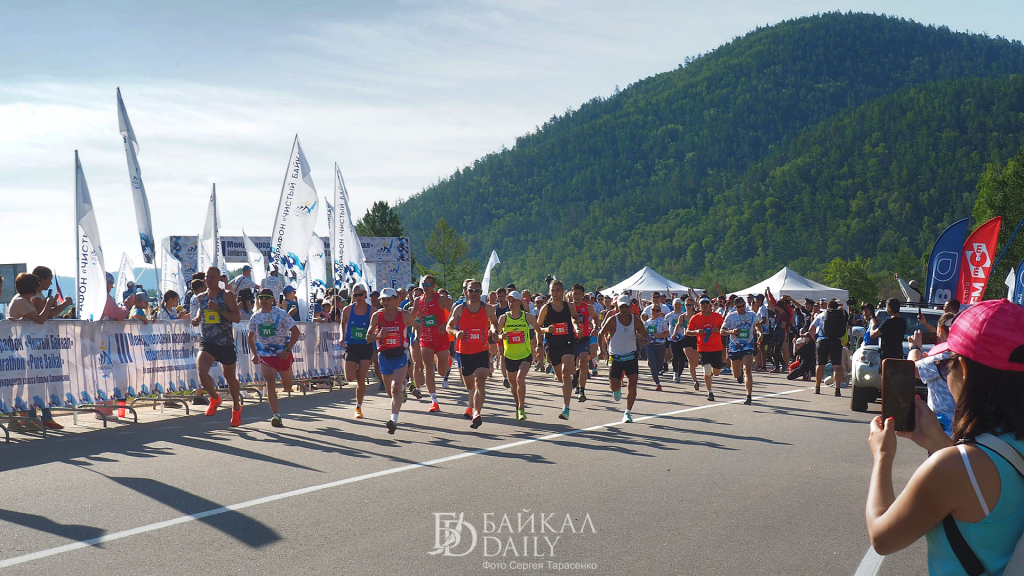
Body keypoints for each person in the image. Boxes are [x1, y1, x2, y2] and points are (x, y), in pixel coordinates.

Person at [865, 299, 1024, 574]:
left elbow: (882, 537)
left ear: (963, 368)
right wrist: (940, 444)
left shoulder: (953, 468)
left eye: (947, 365)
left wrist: (882, 456)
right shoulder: (975, 460)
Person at [190, 267, 244, 427]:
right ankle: (215, 398)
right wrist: (197, 318)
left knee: (230, 378)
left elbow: (237, 317)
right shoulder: (202, 297)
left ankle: (236, 407)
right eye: (207, 277)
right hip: (208, 341)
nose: (209, 280)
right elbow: (203, 310)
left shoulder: (226, 295)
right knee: (201, 371)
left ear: (219, 278)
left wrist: (219, 310)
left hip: (225, 342)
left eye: (213, 277)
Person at [446, 280, 498, 429]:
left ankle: (476, 413)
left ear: (481, 293)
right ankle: (473, 406)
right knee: (469, 385)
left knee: (480, 381)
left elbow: (494, 322)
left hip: (481, 351)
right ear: (466, 292)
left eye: (477, 290)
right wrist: (456, 333)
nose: (474, 293)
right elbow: (449, 326)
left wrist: (494, 331)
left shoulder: (487, 309)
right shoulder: (459, 309)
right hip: (464, 352)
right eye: (471, 290)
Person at [367, 288, 418, 434]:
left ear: (396, 300)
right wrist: (377, 336)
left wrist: (415, 339)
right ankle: (402, 387)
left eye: (389, 299)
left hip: (400, 354)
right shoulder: (377, 316)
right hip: (384, 356)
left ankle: (393, 421)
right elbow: (368, 337)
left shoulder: (404, 315)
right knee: (391, 392)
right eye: (383, 299)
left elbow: (417, 327)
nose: (385, 302)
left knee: (395, 389)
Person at [247, 288, 300, 427]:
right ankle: (276, 415)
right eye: (261, 297)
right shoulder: (255, 316)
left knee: (287, 386)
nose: (263, 299)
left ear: (272, 299)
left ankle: (287, 384)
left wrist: (288, 350)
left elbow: (296, 332)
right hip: (266, 354)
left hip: (282, 353)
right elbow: (250, 337)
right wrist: (254, 353)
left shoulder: (281, 314)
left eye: (266, 297)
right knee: (270, 382)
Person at [598, 294, 650, 423]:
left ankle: (628, 412)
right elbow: (601, 333)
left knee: (633, 384)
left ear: (631, 307)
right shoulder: (612, 320)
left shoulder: (636, 320)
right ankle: (617, 389)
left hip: (631, 356)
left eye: (626, 306)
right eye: (622, 306)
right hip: (616, 357)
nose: (624, 309)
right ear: (617, 307)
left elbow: (645, 334)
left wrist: (645, 339)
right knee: (614, 387)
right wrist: (601, 350)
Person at [537, 279, 582, 420]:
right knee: (560, 377)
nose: (555, 293)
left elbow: (574, 318)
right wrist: (546, 329)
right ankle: (576, 374)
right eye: (552, 290)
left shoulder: (570, 306)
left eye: (558, 290)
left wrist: (576, 328)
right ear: (549, 292)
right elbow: (537, 327)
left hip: (568, 342)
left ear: (563, 291)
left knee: (565, 373)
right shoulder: (546, 308)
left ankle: (566, 407)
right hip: (553, 345)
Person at [411, 274, 452, 413]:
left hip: (441, 338)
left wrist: (446, 324)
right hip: (426, 338)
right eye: (423, 284)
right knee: (428, 367)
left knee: (442, 372)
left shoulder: (441, 299)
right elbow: (411, 316)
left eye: (428, 284)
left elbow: (455, 313)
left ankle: (446, 359)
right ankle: (434, 400)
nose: (425, 287)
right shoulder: (418, 300)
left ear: (434, 286)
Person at [498, 291, 540, 421]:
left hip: (525, 355)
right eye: (509, 301)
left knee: (520, 379)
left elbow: (538, 330)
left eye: (513, 300)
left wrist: (539, 345)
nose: (510, 303)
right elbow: (496, 335)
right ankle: (518, 406)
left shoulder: (528, 317)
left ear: (519, 302)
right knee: (513, 385)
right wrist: (501, 336)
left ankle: (521, 408)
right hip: (510, 356)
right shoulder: (504, 318)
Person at [340, 285, 373, 418]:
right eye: (356, 295)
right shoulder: (347, 310)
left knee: (360, 379)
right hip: (352, 346)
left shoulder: (372, 311)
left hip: (365, 346)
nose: (358, 297)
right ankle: (357, 370)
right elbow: (342, 323)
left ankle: (358, 407)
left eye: (360, 294)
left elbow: (377, 326)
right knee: (350, 377)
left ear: (365, 294)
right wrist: (342, 336)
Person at [722, 296, 760, 405]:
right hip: (734, 346)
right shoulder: (731, 316)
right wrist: (731, 332)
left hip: (748, 346)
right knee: (736, 374)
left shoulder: (751, 314)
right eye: (739, 307)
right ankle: (739, 376)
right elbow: (722, 331)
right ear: (735, 307)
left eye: (743, 306)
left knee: (747, 369)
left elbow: (757, 325)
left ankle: (749, 396)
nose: (742, 308)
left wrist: (759, 333)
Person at [685, 297, 725, 401]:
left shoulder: (717, 316)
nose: (705, 305)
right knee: (707, 370)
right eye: (702, 303)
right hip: (703, 347)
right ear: (699, 305)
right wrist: (697, 332)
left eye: (707, 303)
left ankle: (712, 372)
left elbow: (725, 329)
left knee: (716, 372)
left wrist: (718, 330)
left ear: (710, 305)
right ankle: (709, 392)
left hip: (716, 347)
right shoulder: (695, 317)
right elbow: (687, 332)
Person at [811, 299, 849, 396]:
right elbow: (845, 328)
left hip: (822, 341)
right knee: (837, 366)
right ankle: (837, 389)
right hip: (836, 341)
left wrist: (815, 340)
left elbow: (811, 328)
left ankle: (817, 387)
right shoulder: (840, 316)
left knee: (820, 365)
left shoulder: (821, 315)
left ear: (827, 306)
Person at [570, 283, 598, 401]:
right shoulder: (567, 307)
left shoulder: (587, 307)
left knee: (583, 363)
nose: (577, 296)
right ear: (571, 294)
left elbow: (595, 318)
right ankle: (575, 375)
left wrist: (596, 328)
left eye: (579, 294)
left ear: (583, 295)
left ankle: (582, 390)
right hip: (570, 339)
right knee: (570, 366)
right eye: (575, 293)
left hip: (584, 339)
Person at [643, 302, 670, 391]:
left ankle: (657, 371)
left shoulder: (662, 321)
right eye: (653, 310)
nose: (655, 311)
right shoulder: (647, 322)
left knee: (659, 365)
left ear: (659, 312)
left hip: (660, 345)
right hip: (650, 345)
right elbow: (643, 334)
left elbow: (667, 333)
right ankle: (657, 383)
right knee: (653, 364)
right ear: (650, 310)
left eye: (657, 310)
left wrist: (658, 335)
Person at [870, 298, 906, 365]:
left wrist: (873, 324)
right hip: (898, 354)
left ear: (889, 308)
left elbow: (873, 335)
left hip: (887, 356)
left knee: (885, 375)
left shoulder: (888, 322)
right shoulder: (903, 322)